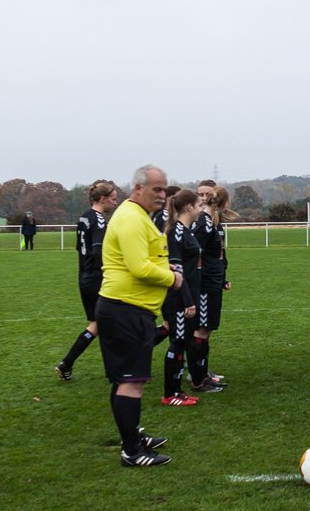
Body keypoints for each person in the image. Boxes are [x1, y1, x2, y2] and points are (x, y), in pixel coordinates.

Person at [97, 164, 179, 466]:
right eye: (156, 189)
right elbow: (138, 267)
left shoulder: (137, 216)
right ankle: (132, 451)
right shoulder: (131, 218)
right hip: (125, 309)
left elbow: (145, 259)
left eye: (164, 189)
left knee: (124, 380)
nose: (162, 195)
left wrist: (164, 268)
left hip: (129, 308)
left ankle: (131, 435)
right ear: (138, 189)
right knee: (131, 382)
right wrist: (172, 278)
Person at [55, 180, 119, 381]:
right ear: (102, 199)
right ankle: (119, 370)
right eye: (113, 199)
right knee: (118, 321)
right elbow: (98, 251)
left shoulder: (84, 217)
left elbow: (79, 249)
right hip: (98, 278)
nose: (115, 204)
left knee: (97, 325)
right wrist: (112, 272)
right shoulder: (99, 220)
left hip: (84, 277)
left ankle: (67, 363)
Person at [188, 182, 233, 393]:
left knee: (206, 329)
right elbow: (194, 251)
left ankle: (203, 374)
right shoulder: (204, 222)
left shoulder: (210, 221)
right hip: (205, 283)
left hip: (212, 281)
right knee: (201, 330)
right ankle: (197, 379)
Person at [161, 189, 202, 406]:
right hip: (179, 299)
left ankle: (176, 391)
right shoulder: (175, 232)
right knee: (177, 343)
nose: (201, 209)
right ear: (189, 207)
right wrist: (188, 300)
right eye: (199, 205)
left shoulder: (187, 231)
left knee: (182, 341)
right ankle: (170, 394)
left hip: (189, 297)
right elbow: (177, 272)